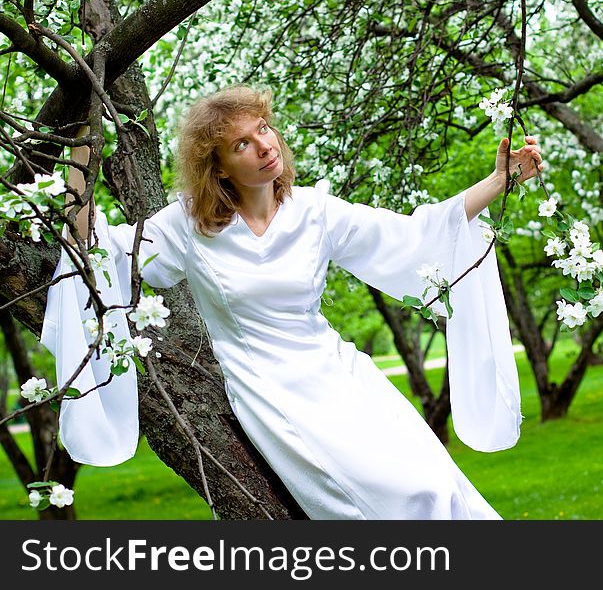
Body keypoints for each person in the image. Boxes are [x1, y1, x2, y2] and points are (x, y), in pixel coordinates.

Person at [41, 85, 544, 519]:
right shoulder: (188, 225)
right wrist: (80, 157)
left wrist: (500, 181)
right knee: (400, 498)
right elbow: (98, 254)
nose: (264, 145)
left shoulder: (316, 212)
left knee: (439, 483)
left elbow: (415, 238)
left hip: (342, 377)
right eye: (242, 143)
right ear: (217, 168)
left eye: (264, 128)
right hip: (275, 397)